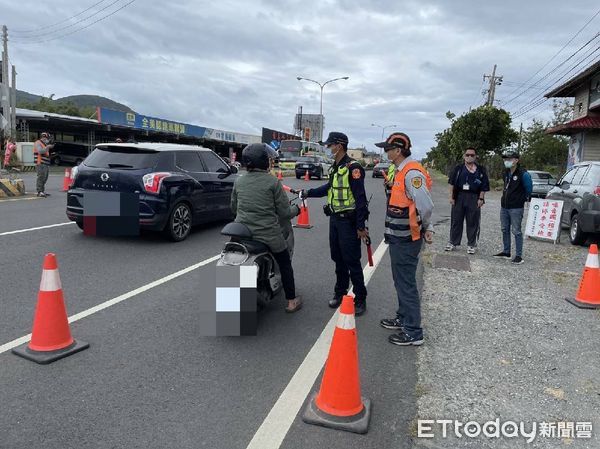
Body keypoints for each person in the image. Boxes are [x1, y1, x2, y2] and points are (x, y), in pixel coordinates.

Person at [301, 132, 369, 316]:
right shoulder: (334, 168)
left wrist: (361, 227)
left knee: (352, 261)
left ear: (339, 146)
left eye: (330, 145)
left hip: (349, 222)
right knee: (338, 259)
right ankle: (340, 292)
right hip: (335, 221)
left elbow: (360, 199)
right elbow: (328, 189)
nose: (329, 148)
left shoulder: (353, 168)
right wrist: (308, 192)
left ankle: (360, 298)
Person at [376, 132, 434, 346]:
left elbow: (426, 205)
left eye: (387, 149)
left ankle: (413, 331)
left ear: (398, 150)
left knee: (406, 283)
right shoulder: (400, 171)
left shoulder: (412, 173)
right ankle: (403, 317)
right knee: (400, 281)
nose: (385, 152)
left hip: (408, 238)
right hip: (398, 237)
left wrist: (427, 227)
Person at [230, 143, 303, 312]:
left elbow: (233, 208)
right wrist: (297, 209)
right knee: (285, 262)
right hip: (267, 234)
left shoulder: (239, 181)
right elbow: (284, 213)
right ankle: (292, 302)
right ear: (263, 161)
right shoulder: (273, 182)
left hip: (241, 232)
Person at [445, 147, 490, 254]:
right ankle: (453, 242)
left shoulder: (480, 170)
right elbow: (451, 183)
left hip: (474, 197)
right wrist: (451, 197)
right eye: (467, 155)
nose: (469, 157)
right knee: (456, 221)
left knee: (473, 221)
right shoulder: (458, 168)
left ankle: (471, 244)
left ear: (475, 157)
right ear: (464, 156)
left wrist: (481, 198)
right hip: (459, 196)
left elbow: (484, 186)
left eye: (472, 155)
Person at [493, 150, 532, 265]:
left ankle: (519, 255)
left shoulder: (523, 174)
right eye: (505, 159)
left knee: (516, 231)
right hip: (504, 206)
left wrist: (521, 199)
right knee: (504, 229)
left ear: (516, 160)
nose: (507, 161)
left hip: (516, 207)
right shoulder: (505, 172)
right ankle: (506, 251)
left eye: (509, 159)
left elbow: (529, 189)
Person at [33, 133, 53, 197]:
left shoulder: (45, 144)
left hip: (45, 163)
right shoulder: (38, 143)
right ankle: (39, 191)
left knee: (45, 177)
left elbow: (46, 153)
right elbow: (40, 151)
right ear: (44, 138)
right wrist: (48, 147)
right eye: (47, 139)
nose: (48, 140)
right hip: (40, 163)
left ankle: (42, 191)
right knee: (41, 177)